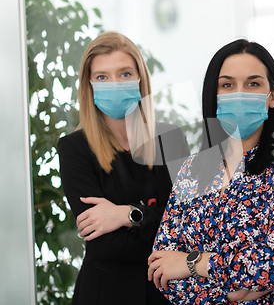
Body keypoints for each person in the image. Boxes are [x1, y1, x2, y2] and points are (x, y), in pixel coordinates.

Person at [147, 39, 274, 304]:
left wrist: (194, 262)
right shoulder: (193, 169)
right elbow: (162, 265)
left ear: (272, 96)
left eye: (253, 83)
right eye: (227, 85)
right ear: (214, 97)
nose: (240, 93)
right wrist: (230, 297)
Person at [57, 31, 189, 305]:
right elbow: (104, 244)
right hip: (106, 294)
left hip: (168, 294)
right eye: (103, 77)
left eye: (125, 73)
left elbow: (187, 228)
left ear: (141, 79)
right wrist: (156, 221)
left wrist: (128, 215)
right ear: (89, 84)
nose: (114, 83)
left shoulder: (171, 138)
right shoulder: (74, 149)